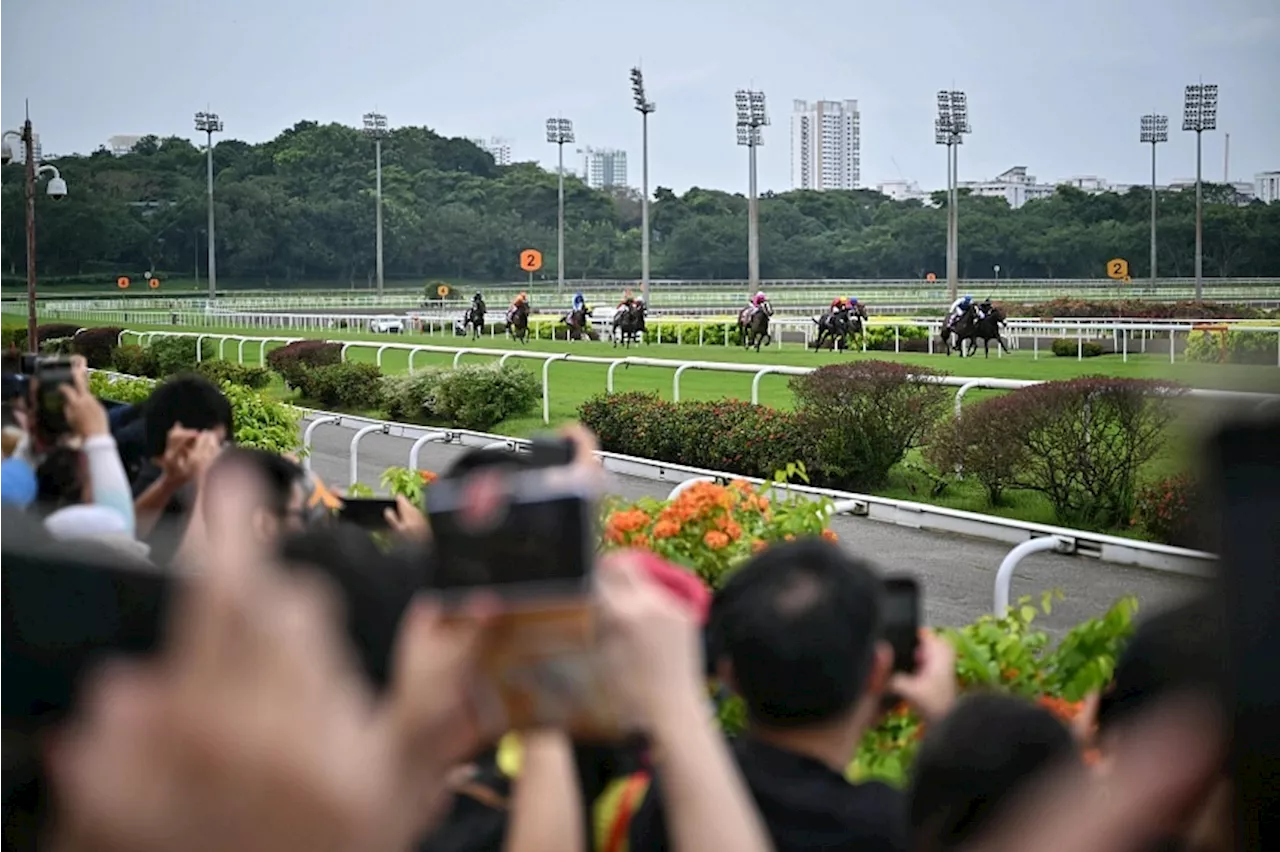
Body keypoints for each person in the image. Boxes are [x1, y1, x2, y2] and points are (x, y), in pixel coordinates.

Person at [624, 538, 957, 852]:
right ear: (877, 671)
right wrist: (946, 717)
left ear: (729, 674)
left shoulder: (675, 794)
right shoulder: (886, 828)